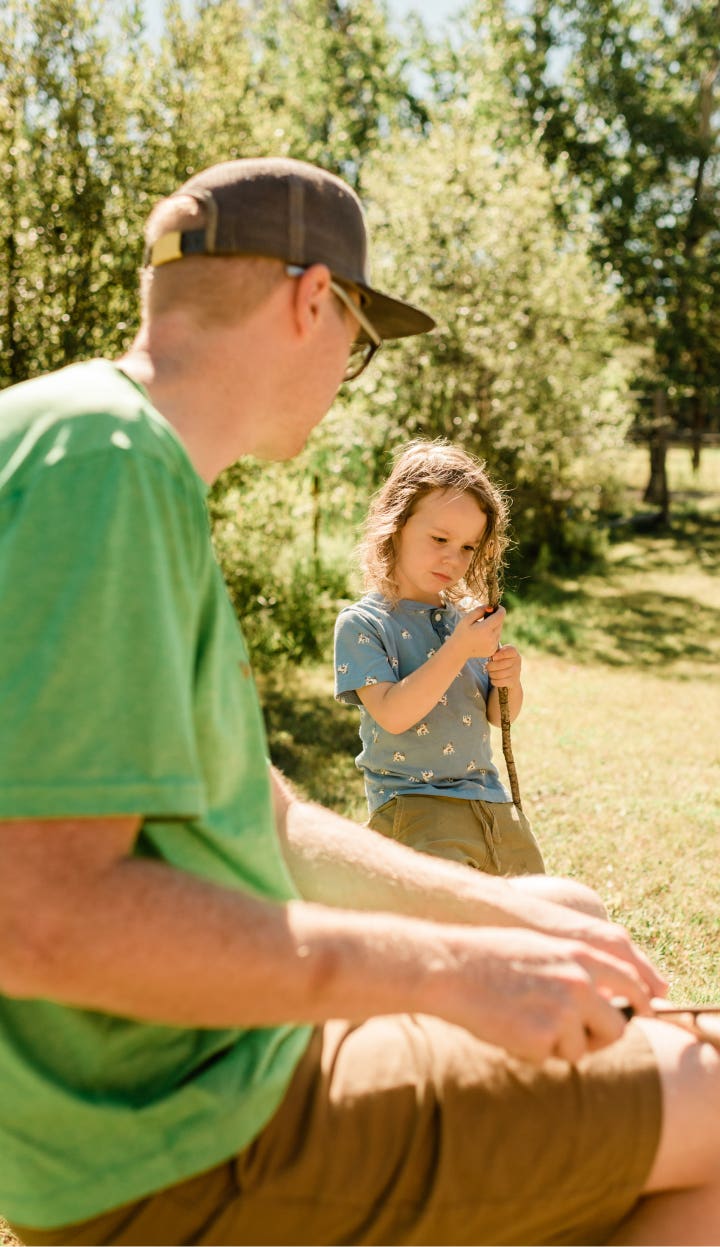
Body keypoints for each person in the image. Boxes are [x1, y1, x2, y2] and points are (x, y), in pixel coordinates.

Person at [0, 156, 719, 1247]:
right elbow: (42, 915)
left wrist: (500, 908)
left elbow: (266, 813)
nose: (348, 372)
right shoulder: (106, 461)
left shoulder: (91, 446)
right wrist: (457, 967)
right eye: (361, 342)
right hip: (193, 1135)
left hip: (219, 1083)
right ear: (312, 302)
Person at [334, 438, 545, 876]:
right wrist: (458, 649)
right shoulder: (364, 624)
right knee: (455, 923)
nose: (453, 557)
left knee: (537, 909)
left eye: (468, 547)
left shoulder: (462, 621)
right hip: (415, 806)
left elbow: (495, 714)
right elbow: (393, 715)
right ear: (395, 525)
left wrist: (509, 681)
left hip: (488, 800)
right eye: (439, 538)